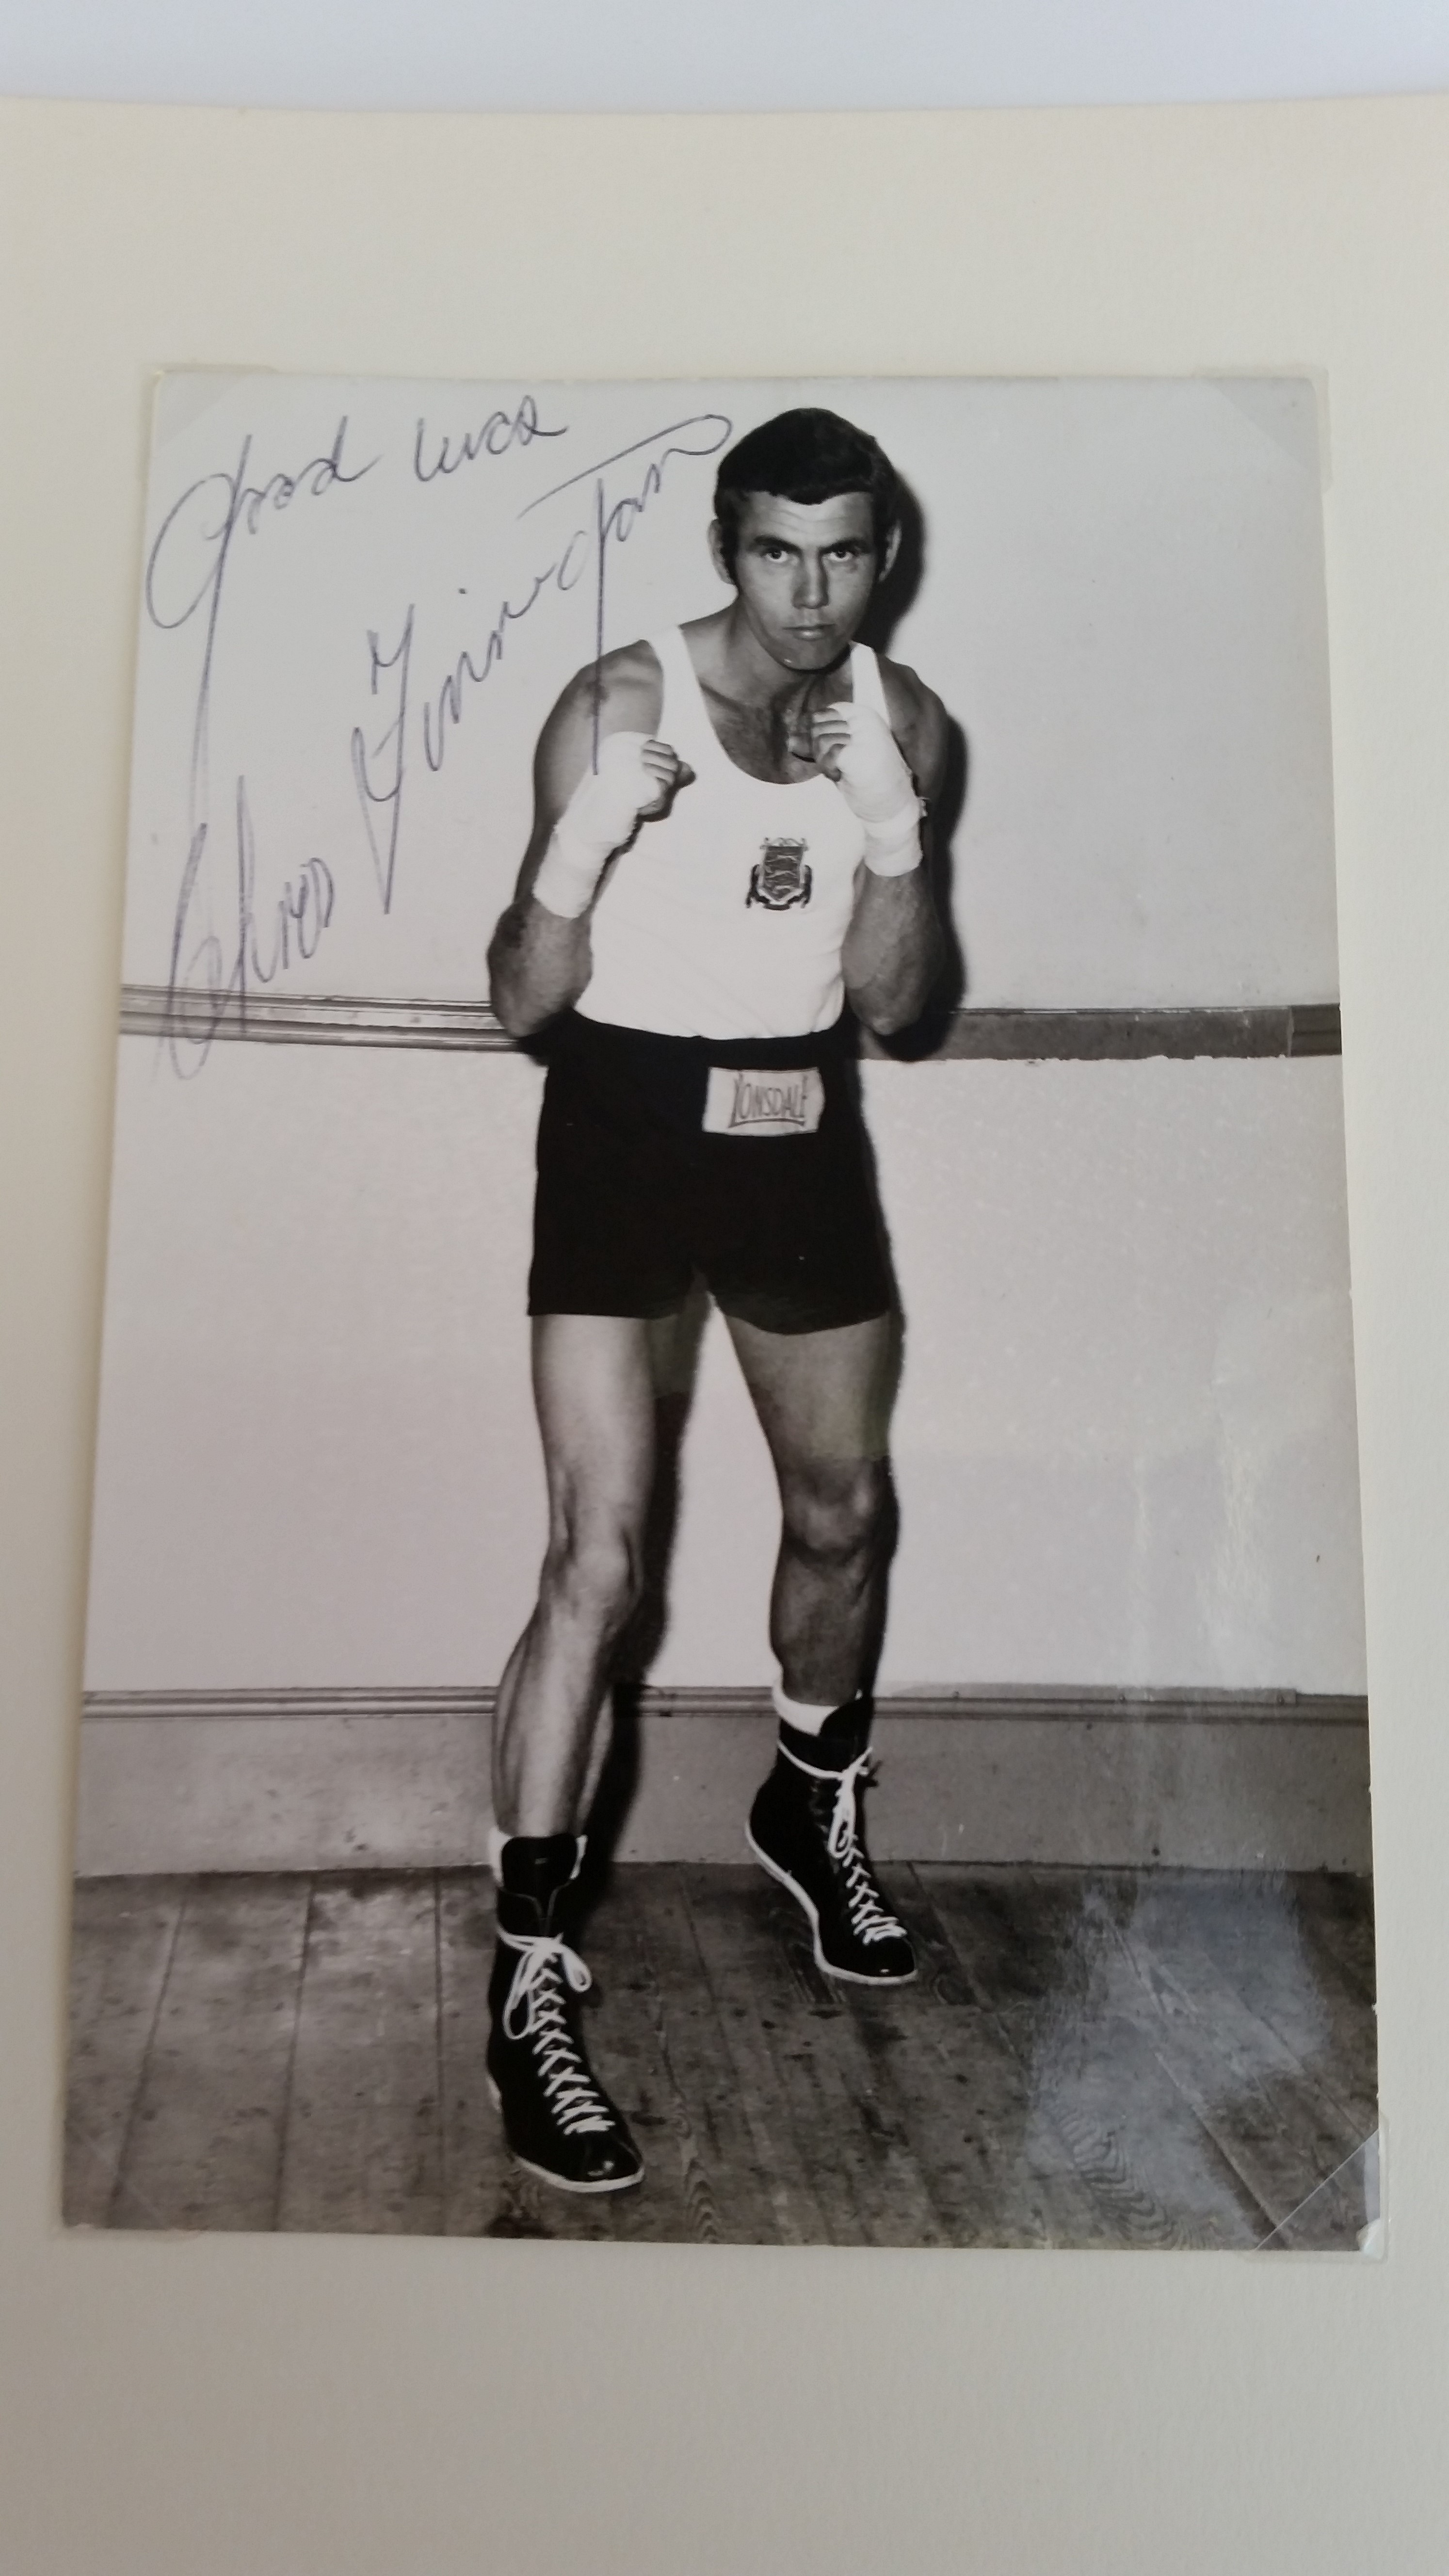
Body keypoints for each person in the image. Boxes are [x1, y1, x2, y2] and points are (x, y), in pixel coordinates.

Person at [483, 407, 949, 2193]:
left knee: (842, 1511)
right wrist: (574, 856)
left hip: (794, 1135)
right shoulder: (614, 707)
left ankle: (805, 1800)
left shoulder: (902, 724)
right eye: (777, 551)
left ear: (880, 554)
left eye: (843, 554)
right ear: (726, 547)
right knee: (596, 1559)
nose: (810, 591)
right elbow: (523, 1002)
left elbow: (898, 1008)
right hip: (614, 1126)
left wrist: (889, 835)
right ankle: (529, 1976)